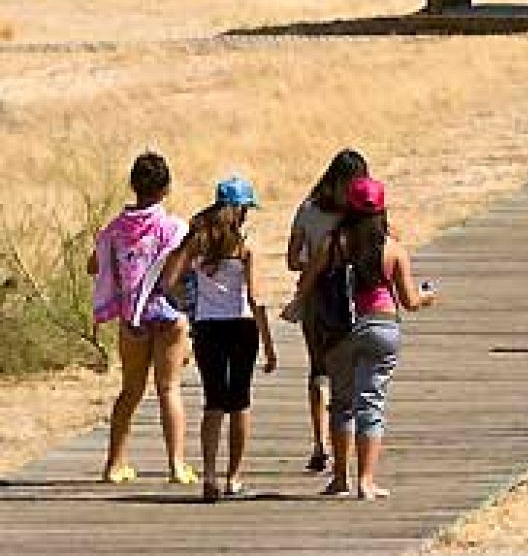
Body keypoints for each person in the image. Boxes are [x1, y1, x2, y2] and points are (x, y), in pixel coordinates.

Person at [299, 177, 436, 500]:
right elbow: (410, 302)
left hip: (340, 329)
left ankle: (339, 479)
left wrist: (301, 304)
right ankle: (366, 480)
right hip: (382, 326)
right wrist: (429, 296)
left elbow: (307, 281)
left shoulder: (334, 243)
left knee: (341, 404)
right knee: (371, 404)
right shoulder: (392, 249)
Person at [162, 177, 278, 502]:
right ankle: (234, 477)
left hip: (208, 327)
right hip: (241, 327)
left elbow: (168, 281)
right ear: (239, 210)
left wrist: (188, 306)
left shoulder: (197, 243)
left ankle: (209, 475)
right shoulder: (244, 247)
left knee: (213, 402)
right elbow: (255, 298)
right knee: (240, 403)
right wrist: (268, 344)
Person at [88, 152, 197, 486]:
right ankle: (177, 465)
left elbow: (95, 266)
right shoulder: (174, 228)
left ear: (133, 186)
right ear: (166, 188)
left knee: (130, 391)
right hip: (167, 315)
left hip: (132, 318)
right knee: (169, 388)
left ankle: (114, 464)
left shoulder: (115, 230)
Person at [286, 149, 368, 475]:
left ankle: (320, 443)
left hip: (315, 297)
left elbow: (292, 260)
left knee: (318, 370)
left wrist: (316, 267)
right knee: (350, 373)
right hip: (353, 298)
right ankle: (343, 447)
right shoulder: (361, 213)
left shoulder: (307, 210)